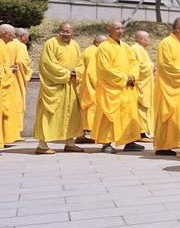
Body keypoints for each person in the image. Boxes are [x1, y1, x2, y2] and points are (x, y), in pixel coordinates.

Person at [33, 23, 85, 154]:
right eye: (63, 31)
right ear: (58, 31)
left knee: (71, 115)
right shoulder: (50, 43)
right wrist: (67, 73)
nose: (65, 34)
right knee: (49, 114)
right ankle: (42, 145)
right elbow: (47, 64)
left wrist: (77, 72)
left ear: (73, 32)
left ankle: (70, 142)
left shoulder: (75, 45)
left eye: (68, 31)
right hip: (54, 86)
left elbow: (81, 64)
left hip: (70, 86)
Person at [92, 22, 143, 153]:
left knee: (128, 114)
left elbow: (134, 63)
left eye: (121, 28)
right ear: (109, 29)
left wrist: (132, 75)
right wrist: (124, 78)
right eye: (117, 28)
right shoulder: (104, 47)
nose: (120, 31)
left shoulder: (126, 47)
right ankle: (106, 143)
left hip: (126, 88)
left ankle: (129, 141)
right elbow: (104, 69)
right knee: (109, 116)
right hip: (111, 88)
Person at [154, 18, 180, 155]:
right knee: (171, 115)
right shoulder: (165, 43)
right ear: (177, 29)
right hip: (171, 85)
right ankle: (163, 146)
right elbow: (165, 65)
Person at [0, 24, 31, 145]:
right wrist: (10, 70)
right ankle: (13, 134)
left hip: (6, 80)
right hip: (12, 81)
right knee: (15, 108)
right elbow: (21, 63)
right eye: (12, 34)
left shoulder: (5, 45)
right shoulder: (20, 46)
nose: (13, 37)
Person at [78, 34, 106, 144]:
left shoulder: (89, 50)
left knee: (86, 110)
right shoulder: (94, 52)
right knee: (92, 110)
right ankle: (92, 134)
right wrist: (99, 85)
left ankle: (83, 135)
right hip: (93, 87)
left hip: (86, 85)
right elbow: (92, 72)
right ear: (98, 43)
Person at [130, 31, 154, 141]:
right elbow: (140, 67)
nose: (149, 39)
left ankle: (144, 132)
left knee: (144, 109)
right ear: (140, 39)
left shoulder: (141, 49)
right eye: (147, 37)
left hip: (146, 84)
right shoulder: (136, 49)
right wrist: (151, 67)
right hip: (140, 84)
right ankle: (141, 133)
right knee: (140, 109)